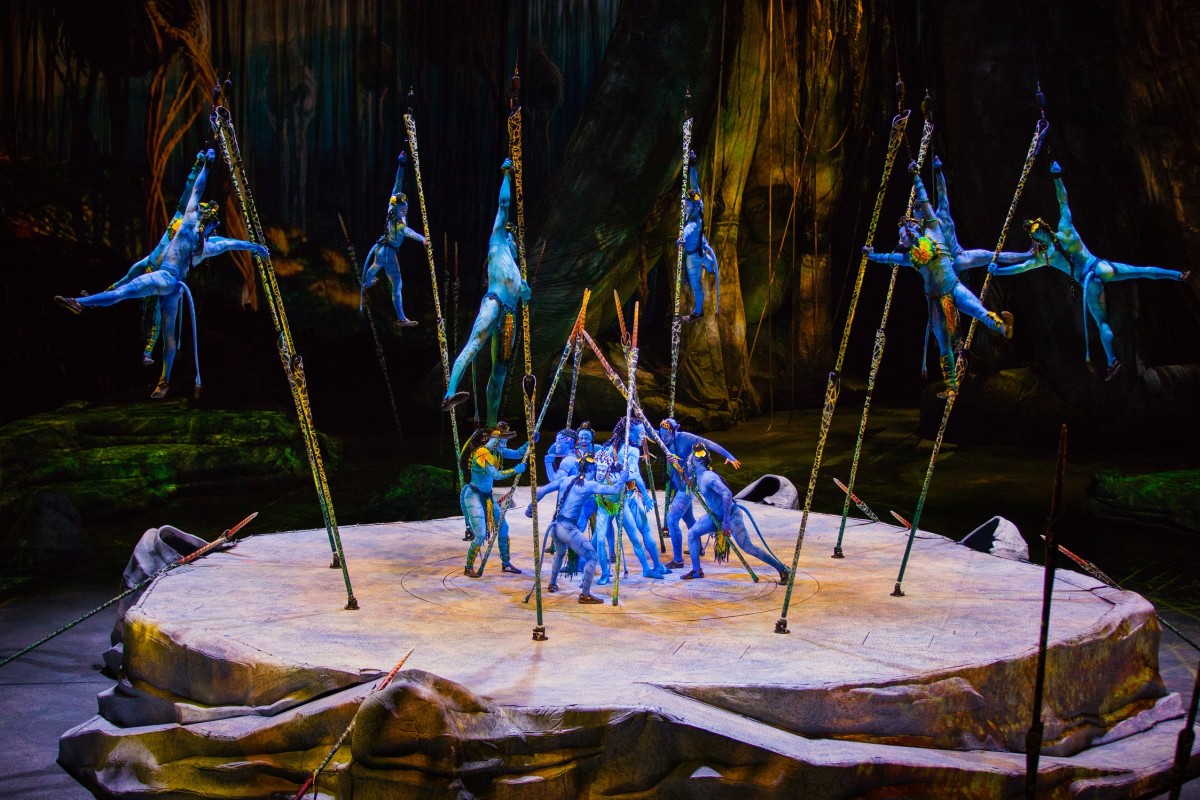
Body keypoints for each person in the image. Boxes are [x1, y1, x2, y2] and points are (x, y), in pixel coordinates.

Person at [55, 149, 268, 400]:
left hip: (165, 277)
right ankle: (164, 381)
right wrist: (254, 247)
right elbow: (231, 243)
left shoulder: (188, 224)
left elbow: (197, 190)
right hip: (176, 288)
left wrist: (207, 165)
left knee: (123, 292)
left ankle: (80, 302)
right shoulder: (207, 246)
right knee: (169, 335)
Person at [989, 161, 1190, 380]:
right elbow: (1062, 200)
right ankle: (1178, 275)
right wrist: (1057, 177)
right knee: (1141, 271)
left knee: (1102, 321)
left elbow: (1021, 268)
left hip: (1089, 281)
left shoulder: (1048, 257)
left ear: (1037, 238)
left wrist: (998, 271)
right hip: (1101, 267)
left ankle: (1112, 361)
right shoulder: (1066, 229)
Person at [863, 163, 1014, 398]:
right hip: (934, 299)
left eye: (904, 234)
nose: (902, 239)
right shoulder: (911, 257)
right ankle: (951, 385)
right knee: (942, 341)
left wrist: (916, 177)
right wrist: (871, 255)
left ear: (914, 229)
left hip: (953, 288)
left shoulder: (933, 230)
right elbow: (887, 258)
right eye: (901, 237)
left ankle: (1003, 327)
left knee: (978, 311)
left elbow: (925, 202)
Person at [442, 159, 531, 425]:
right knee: (474, 344)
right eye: (512, 236)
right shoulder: (498, 243)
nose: (514, 241)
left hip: (510, 317)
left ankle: (492, 424)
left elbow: (526, 298)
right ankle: (450, 392)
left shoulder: (519, 272)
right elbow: (503, 205)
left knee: (500, 372)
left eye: (516, 239)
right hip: (494, 302)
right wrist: (507, 175)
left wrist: (526, 292)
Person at [681, 443, 790, 584]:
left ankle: (781, 569)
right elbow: (683, 481)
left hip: (731, 515)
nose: (688, 462)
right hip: (716, 515)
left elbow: (727, 494)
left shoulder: (708, 478)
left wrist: (726, 521)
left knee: (748, 547)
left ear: (696, 461)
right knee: (692, 533)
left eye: (690, 459)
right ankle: (696, 570)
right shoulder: (698, 476)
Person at [528, 453, 629, 604]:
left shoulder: (565, 480)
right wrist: (623, 477)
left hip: (555, 525)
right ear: (591, 470)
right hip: (567, 527)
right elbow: (614, 490)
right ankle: (585, 594)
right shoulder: (589, 485)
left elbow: (542, 491)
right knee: (592, 557)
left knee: (559, 553)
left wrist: (530, 508)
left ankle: (552, 583)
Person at [929, 156, 1034, 276]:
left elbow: (942, 191)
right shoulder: (925, 230)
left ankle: (1028, 255)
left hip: (959, 256)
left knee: (993, 256)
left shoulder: (941, 213)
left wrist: (938, 171)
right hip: (946, 265)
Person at [658, 417, 741, 569]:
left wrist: (729, 456)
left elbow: (708, 443)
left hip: (688, 484)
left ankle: (678, 560)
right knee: (688, 517)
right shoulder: (661, 438)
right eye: (661, 435)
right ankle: (698, 547)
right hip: (679, 483)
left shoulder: (685, 438)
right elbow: (648, 431)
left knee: (671, 520)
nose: (663, 438)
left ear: (675, 430)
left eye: (666, 435)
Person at [361, 152, 426, 328]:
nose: (405, 208)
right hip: (388, 252)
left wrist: (401, 165)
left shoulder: (392, 207)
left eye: (406, 205)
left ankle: (367, 282)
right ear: (400, 207)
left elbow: (397, 184)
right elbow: (409, 232)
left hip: (381, 248)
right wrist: (423, 239)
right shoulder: (398, 223)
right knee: (397, 284)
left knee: (375, 266)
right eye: (403, 206)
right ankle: (401, 317)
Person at [459, 421, 531, 577]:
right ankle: (468, 567)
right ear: (496, 440)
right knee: (480, 534)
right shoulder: (482, 453)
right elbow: (495, 475)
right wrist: (515, 470)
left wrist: (530, 441)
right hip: (474, 495)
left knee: (503, 528)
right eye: (503, 441)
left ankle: (506, 563)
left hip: (488, 497)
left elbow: (519, 453)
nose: (505, 445)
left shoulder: (498, 451)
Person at [678, 150, 719, 323]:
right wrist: (692, 166)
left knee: (702, 274)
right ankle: (698, 311)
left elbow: (688, 232)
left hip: (696, 253)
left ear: (693, 204)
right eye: (685, 205)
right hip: (696, 252)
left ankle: (710, 267)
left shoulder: (694, 221)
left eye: (688, 205)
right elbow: (694, 183)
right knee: (698, 280)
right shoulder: (695, 204)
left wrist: (681, 239)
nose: (686, 207)